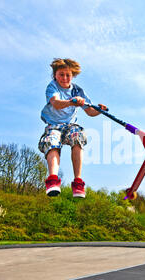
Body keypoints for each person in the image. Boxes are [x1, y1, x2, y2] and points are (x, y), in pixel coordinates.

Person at [38, 58, 107, 198]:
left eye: (67, 75)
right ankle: (52, 180)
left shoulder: (77, 90)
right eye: (61, 74)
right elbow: (56, 103)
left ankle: (78, 182)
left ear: (73, 75)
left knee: (78, 137)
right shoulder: (52, 87)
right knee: (52, 143)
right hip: (54, 125)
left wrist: (99, 110)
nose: (64, 78)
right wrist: (71, 102)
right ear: (55, 75)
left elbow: (90, 111)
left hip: (70, 125)